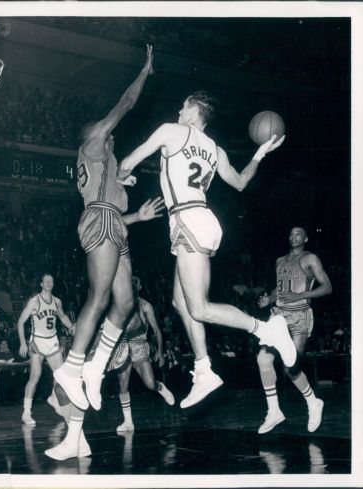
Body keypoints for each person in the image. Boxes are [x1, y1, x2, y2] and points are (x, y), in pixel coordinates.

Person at [116, 90, 297, 409]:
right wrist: (259, 154)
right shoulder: (214, 148)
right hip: (201, 220)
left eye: (183, 105)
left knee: (198, 307)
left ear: (193, 111)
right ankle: (203, 370)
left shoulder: (171, 131)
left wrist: (123, 176)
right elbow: (241, 182)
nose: (179, 108)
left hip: (188, 219)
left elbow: (128, 162)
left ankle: (267, 328)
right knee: (179, 301)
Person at [48, 45, 165, 461]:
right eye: (105, 129)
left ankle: (92, 369)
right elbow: (127, 102)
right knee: (99, 298)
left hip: (112, 219)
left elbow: (112, 197)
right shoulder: (95, 142)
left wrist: (136, 214)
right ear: (93, 133)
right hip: (99, 219)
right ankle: (73, 365)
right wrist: (145, 71)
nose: (111, 132)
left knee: (126, 300)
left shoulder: (107, 166)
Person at [256, 227, 332, 433]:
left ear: (305, 238)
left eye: (298, 234)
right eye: (291, 233)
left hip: (300, 315)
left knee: (291, 367)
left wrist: (300, 296)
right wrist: (268, 299)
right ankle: (274, 411)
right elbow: (279, 289)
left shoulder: (311, 259)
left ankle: (313, 402)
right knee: (263, 360)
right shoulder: (280, 261)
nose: (293, 236)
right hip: (279, 314)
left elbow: (327, 287)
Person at [110, 277, 175, 432]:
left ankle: (160, 387)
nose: (131, 284)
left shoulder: (145, 305)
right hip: (122, 344)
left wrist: (160, 352)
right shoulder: (119, 304)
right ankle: (128, 422)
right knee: (123, 383)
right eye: (129, 282)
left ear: (139, 286)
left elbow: (157, 330)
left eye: (135, 283)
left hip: (139, 344)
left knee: (150, 384)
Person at [17, 273, 75, 426]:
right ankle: (26, 412)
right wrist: (23, 343)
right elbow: (20, 322)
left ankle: (54, 399)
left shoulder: (57, 301)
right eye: (46, 281)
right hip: (37, 340)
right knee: (35, 375)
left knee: (60, 375)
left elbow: (62, 317)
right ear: (41, 284)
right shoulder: (34, 301)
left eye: (51, 281)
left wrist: (72, 327)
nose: (49, 283)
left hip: (52, 340)